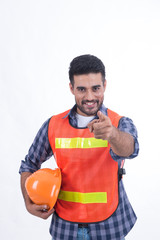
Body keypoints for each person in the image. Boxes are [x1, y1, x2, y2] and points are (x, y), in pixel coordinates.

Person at [19, 54, 139, 240]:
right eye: (82, 89)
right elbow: (29, 165)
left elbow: (130, 150)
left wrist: (112, 134)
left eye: (96, 88)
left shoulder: (119, 123)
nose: (89, 97)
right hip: (65, 227)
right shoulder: (53, 125)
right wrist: (28, 202)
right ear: (71, 88)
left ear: (104, 86)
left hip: (110, 226)